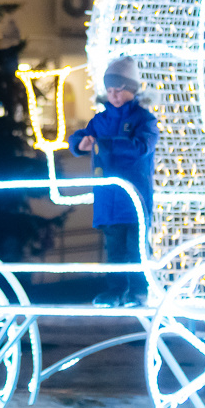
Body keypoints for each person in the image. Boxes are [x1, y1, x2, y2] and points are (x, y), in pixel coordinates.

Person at [68, 57, 159, 307]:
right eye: (110, 90)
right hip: (109, 197)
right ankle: (117, 290)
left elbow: (142, 147)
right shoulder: (101, 120)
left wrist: (106, 144)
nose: (114, 95)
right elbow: (81, 136)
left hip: (134, 197)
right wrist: (80, 143)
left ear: (132, 89)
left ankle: (139, 290)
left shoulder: (145, 120)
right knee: (115, 249)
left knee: (136, 248)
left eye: (119, 89)